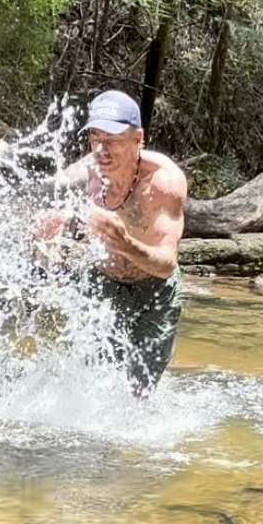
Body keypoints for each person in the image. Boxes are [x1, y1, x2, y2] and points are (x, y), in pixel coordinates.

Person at [34, 89, 188, 391]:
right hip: (102, 281)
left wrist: (125, 244)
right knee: (95, 381)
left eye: (113, 140)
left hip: (155, 291)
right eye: (95, 138)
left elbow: (166, 265)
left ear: (138, 139)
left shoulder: (163, 182)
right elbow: (51, 222)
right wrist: (47, 242)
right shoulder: (82, 176)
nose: (102, 150)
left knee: (139, 389)